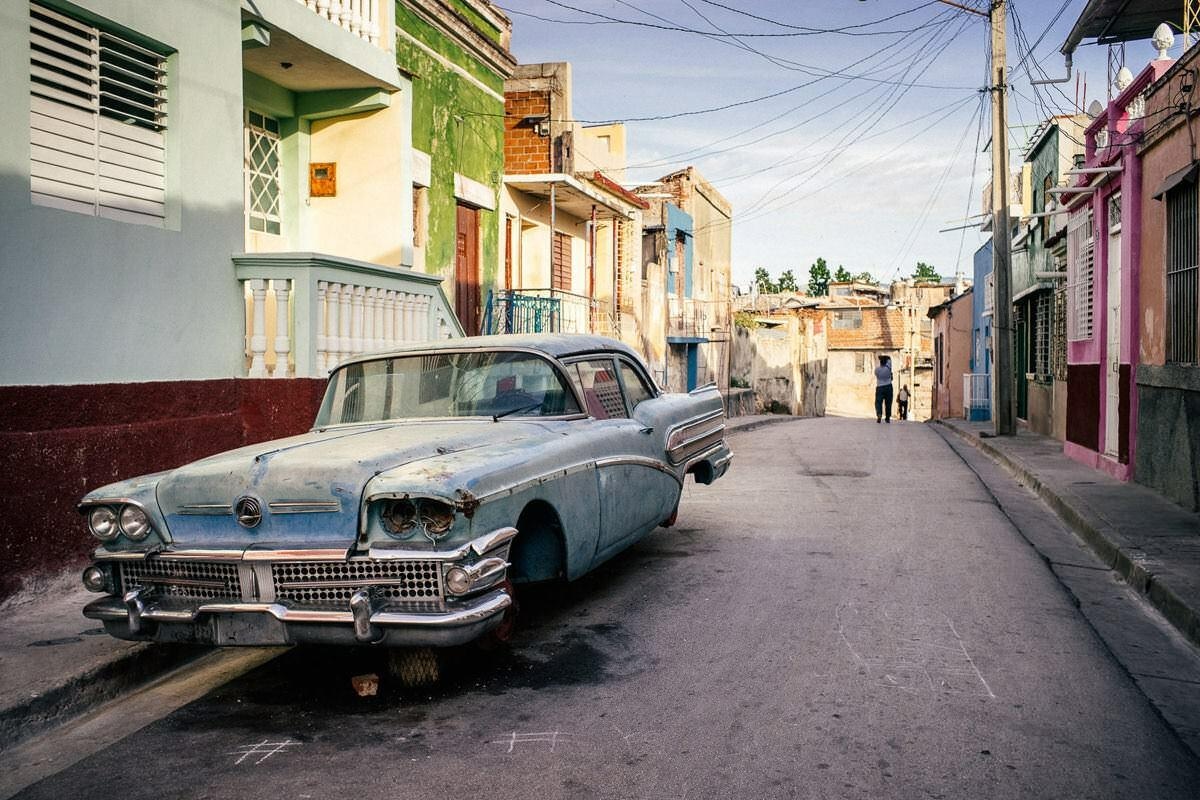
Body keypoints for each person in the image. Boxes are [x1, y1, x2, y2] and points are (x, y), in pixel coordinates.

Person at [874, 355, 893, 423]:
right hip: (888, 386)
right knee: (888, 403)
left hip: (880, 387)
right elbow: (889, 358)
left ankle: (879, 414)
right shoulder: (888, 368)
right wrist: (883, 357)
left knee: (878, 402)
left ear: (880, 362)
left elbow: (876, 375)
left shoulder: (877, 370)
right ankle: (887, 417)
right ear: (886, 362)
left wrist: (880, 357)